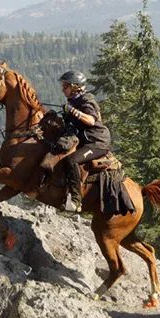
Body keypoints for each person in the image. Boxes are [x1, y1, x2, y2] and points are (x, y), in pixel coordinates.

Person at [59, 70, 111, 212]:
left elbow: (90, 120)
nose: (63, 89)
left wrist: (73, 111)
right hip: (86, 140)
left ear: (75, 87)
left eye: (65, 86)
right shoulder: (73, 101)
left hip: (97, 142)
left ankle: (76, 201)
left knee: (71, 161)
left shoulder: (87, 100)